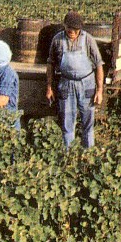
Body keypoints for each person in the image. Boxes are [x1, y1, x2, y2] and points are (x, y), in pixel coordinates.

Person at [45, 10, 104, 148]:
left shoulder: (88, 39)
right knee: (67, 123)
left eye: (75, 29)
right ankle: (68, 156)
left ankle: (88, 155)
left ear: (80, 29)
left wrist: (99, 90)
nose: (72, 31)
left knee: (88, 123)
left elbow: (99, 64)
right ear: (64, 26)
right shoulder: (58, 40)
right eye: (69, 28)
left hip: (86, 84)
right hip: (66, 84)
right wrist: (49, 87)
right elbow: (50, 64)